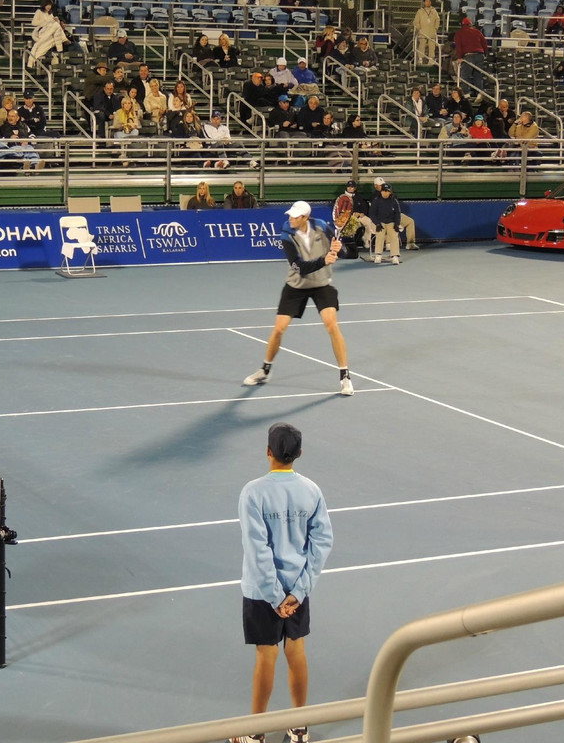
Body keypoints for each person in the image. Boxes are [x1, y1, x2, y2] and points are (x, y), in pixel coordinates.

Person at [230, 421, 333, 743]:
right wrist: (299, 591)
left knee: (266, 654)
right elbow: (322, 542)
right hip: (297, 592)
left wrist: (275, 597)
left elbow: (257, 547)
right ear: (299, 453)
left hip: (263, 592)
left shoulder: (253, 492)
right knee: (297, 651)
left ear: (268, 452)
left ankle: (255, 734)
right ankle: (299, 728)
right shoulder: (311, 490)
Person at [243, 201, 354, 395]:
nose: (290, 219)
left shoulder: (321, 226)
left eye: (294, 216)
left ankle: (345, 377)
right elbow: (298, 267)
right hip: (296, 286)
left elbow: (345, 254)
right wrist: (324, 260)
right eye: (290, 216)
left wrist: (340, 248)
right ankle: (265, 370)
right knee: (278, 329)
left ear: (305, 218)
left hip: (321, 284)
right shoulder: (286, 234)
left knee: (331, 324)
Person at [368, 182, 404, 264]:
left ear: (390, 192)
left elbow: (397, 214)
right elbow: (372, 214)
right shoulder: (376, 200)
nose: (385, 193)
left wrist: (396, 224)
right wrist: (377, 223)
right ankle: (378, 255)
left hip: (391, 222)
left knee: (394, 235)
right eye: (383, 191)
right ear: (381, 191)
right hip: (380, 222)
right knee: (380, 235)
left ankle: (395, 256)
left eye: (387, 191)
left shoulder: (394, 201)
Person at [453, 17, 487, 92]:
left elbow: (459, 46)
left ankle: (466, 93)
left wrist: (460, 57)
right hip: (480, 55)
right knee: (478, 75)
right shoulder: (477, 32)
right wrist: (485, 54)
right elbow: (484, 43)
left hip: (468, 56)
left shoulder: (460, 33)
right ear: (471, 24)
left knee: (465, 75)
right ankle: (480, 93)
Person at [412, 0, 440, 65]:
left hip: (432, 31)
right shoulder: (420, 11)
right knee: (422, 45)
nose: (428, 2)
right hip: (423, 31)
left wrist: (436, 28)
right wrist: (419, 28)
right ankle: (420, 59)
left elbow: (437, 20)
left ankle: (431, 59)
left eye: (429, 1)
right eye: (427, 1)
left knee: (432, 46)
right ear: (424, 2)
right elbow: (416, 21)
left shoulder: (434, 11)